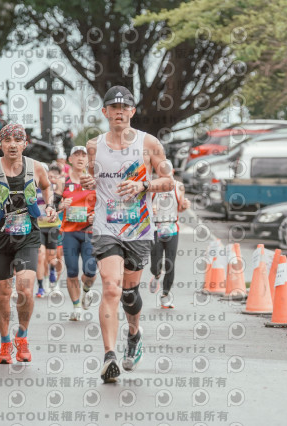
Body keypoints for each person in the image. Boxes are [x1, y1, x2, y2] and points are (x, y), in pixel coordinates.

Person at [80, 85, 174, 383]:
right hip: (106, 227)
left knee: (130, 294)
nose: (119, 112)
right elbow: (91, 178)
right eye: (113, 107)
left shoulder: (149, 143)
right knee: (111, 287)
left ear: (132, 111)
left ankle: (134, 334)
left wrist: (143, 185)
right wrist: (87, 181)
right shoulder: (93, 145)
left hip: (139, 229)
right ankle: (109, 356)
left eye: (124, 107)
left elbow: (169, 180)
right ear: (105, 112)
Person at [0, 123, 57, 364]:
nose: (13, 145)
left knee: (25, 289)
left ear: (25, 144)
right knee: (3, 292)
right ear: (0, 144)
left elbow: (47, 187)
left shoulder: (36, 168)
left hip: (28, 235)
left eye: (18, 140)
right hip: (0, 237)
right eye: (7, 140)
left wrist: (50, 205)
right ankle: (5, 342)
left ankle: (22, 337)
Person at [57, 146, 97, 321]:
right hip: (69, 232)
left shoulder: (95, 181)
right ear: (70, 159)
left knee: (90, 270)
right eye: (76, 155)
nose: (80, 158)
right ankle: (76, 307)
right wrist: (61, 206)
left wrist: (96, 216)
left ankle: (86, 291)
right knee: (72, 270)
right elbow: (52, 204)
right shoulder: (63, 181)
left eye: (84, 155)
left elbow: (105, 204)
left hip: (89, 231)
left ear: (88, 160)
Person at [149, 179, 191, 308]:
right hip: (156, 228)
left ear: (172, 171)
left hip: (172, 227)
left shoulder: (179, 186)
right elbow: (143, 205)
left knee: (170, 264)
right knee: (155, 264)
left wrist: (185, 205)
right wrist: (150, 209)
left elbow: (181, 208)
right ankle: (156, 275)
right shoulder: (152, 184)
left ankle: (165, 295)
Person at [35, 163, 63, 297]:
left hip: (52, 226)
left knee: (52, 258)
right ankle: (40, 287)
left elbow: (59, 204)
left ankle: (52, 274)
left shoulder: (53, 188)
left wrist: (61, 207)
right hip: (38, 227)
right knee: (40, 257)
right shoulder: (31, 189)